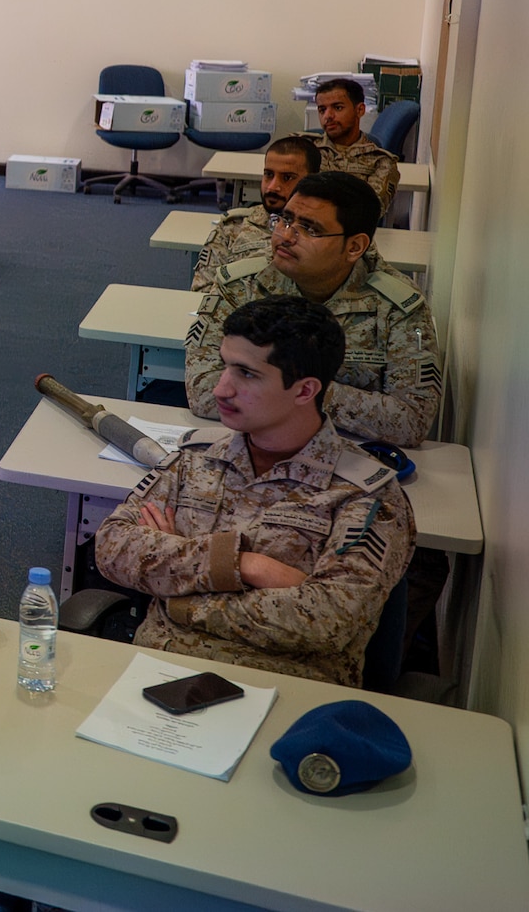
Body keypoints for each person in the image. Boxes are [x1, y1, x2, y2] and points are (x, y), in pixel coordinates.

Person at [96, 296, 415, 687]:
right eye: (224, 365)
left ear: (304, 390)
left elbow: (328, 620)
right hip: (158, 673)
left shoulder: (365, 496)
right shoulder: (195, 458)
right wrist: (247, 565)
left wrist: (177, 596)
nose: (220, 389)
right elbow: (112, 548)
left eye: (246, 374)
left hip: (282, 690)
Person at [187, 171, 439, 447]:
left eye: (310, 229)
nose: (285, 236)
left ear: (355, 246)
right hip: (253, 446)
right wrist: (298, 395)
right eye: (285, 219)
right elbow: (202, 391)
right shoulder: (242, 285)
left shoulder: (397, 307)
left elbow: (411, 422)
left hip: (349, 457)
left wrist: (294, 390)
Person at [191, 136, 321, 290]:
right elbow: (202, 292)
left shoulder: (323, 234)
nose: (272, 187)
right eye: (269, 175)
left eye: (287, 178)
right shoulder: (233, 226)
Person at [303, 77, 400, 215]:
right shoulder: (305, 149)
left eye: (338, 108)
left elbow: (369, 212)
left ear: (360, 110)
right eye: (322, 110)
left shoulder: (380, 162)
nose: (328, 116)